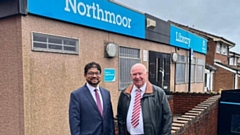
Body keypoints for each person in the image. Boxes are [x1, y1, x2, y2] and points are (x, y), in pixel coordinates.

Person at [117, 63, 172, 135]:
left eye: (140, 73)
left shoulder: (159, 93)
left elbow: (167, 118)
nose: (137, 77)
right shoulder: (125, 94)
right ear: (131, 76)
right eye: (134, 74)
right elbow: (120, 117)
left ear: (146, 74)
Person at [69, 62, 115, 135]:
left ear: (100, 75)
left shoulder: (106, 93)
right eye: (90, 73)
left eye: (97, 73)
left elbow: (109, 119)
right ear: (85, 75)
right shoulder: (77, 95)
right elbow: (74, 122)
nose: (94, 76)